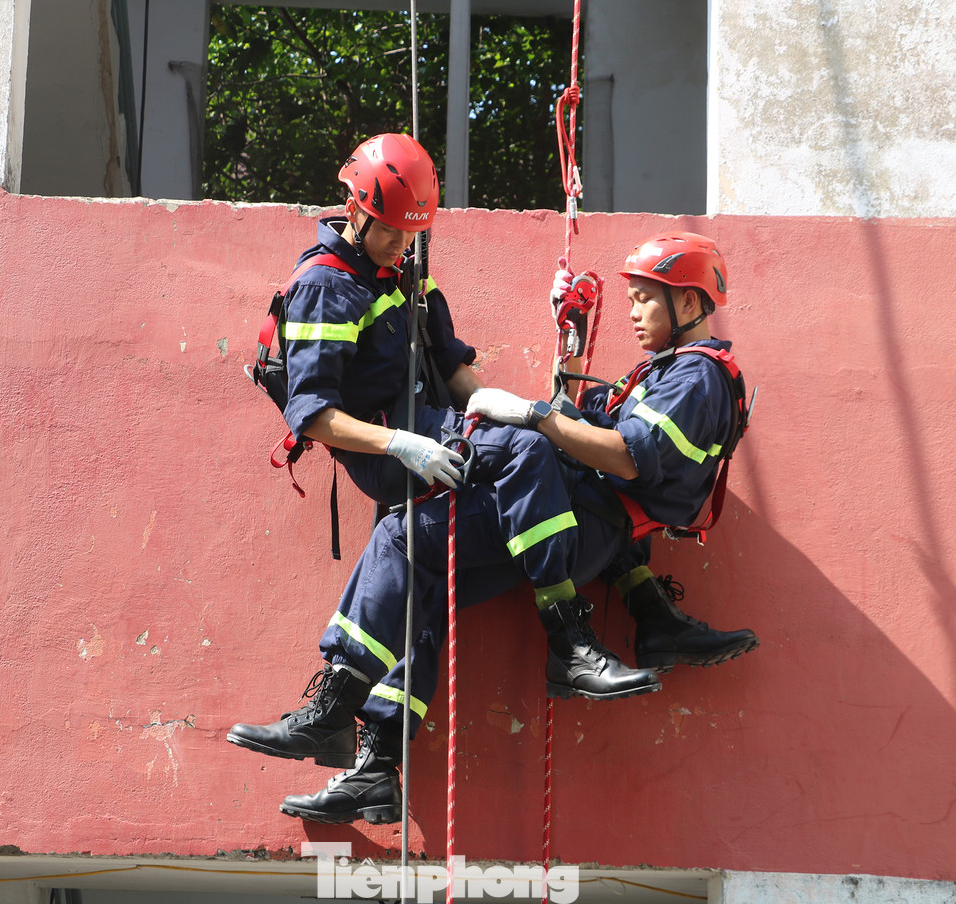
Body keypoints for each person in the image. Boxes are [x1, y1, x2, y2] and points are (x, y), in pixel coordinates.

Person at [230, 230, 759, 825]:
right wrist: (572, 348)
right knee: (426, 580)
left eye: (645, 299)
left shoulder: (693, 378)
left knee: (403, 537)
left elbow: (624, 456)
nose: (634, 312)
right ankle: (376, 767)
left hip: (579, 523)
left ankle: (553, 645)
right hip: (580, 527)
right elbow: (585, 428)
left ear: (689, 305)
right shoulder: (669, 371)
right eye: (632, 298)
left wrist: (530, 414)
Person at [245, 132, 655, 762]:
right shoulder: (324, 288)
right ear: (353, 208)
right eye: (387, 230)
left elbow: (455, 369)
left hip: (431, 424)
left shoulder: (407, 270)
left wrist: (505, 408)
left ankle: (349, 733)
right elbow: (316, 418)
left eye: (410, 232)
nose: (399, 243)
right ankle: (570, 644)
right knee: (527, 451)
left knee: (432, 559)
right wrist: (405, 444)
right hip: (387, 447)